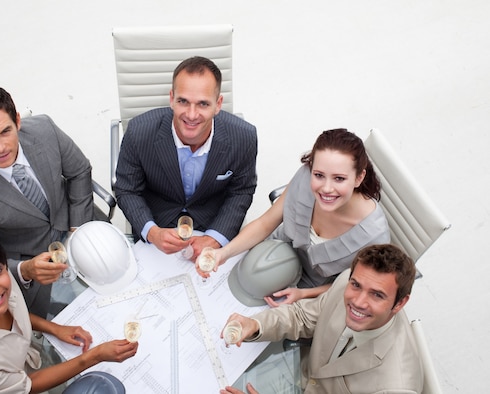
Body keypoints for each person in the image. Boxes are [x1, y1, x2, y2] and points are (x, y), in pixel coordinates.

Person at [0, 229, 138, 394]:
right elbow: (28, 385)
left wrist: (55, 328)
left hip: (28, 360)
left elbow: (14, 311)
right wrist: (95, 356)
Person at [0, 83, 95, 318]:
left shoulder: (45, 129)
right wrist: (24, 270)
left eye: (5, 131)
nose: (0, 147)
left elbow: (79, 171)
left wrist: (76, 229)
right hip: (33, 268)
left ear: (17, 121)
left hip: (77, 228)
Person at [207, 128, 389, 303]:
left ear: (359, 177)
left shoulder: (375, 236)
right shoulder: (306, 176)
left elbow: (353, 285)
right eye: (319, 175)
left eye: (339, 178)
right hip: (272, 252)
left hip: (311, 290)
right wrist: (224, 253)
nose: (326, 188)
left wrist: (303, 294)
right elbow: (266, 223)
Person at [220, 244, 423, 394]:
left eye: (377, 295)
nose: (359, 302)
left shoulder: (397, 387)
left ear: (400, 303)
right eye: (356, 285)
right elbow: (302, 317)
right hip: (303, 374)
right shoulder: (347, 281)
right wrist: (255, 324)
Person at [113, 56, 258, 261]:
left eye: (202, 104)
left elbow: (241, 191)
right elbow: (127, 189)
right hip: (158, 225)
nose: (191, 115)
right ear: (171, 98)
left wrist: (215, 237)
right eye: (183, 101)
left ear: (218, 104)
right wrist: (153, 232)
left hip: (212, 224)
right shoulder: (139, 132)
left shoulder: (243, 137)